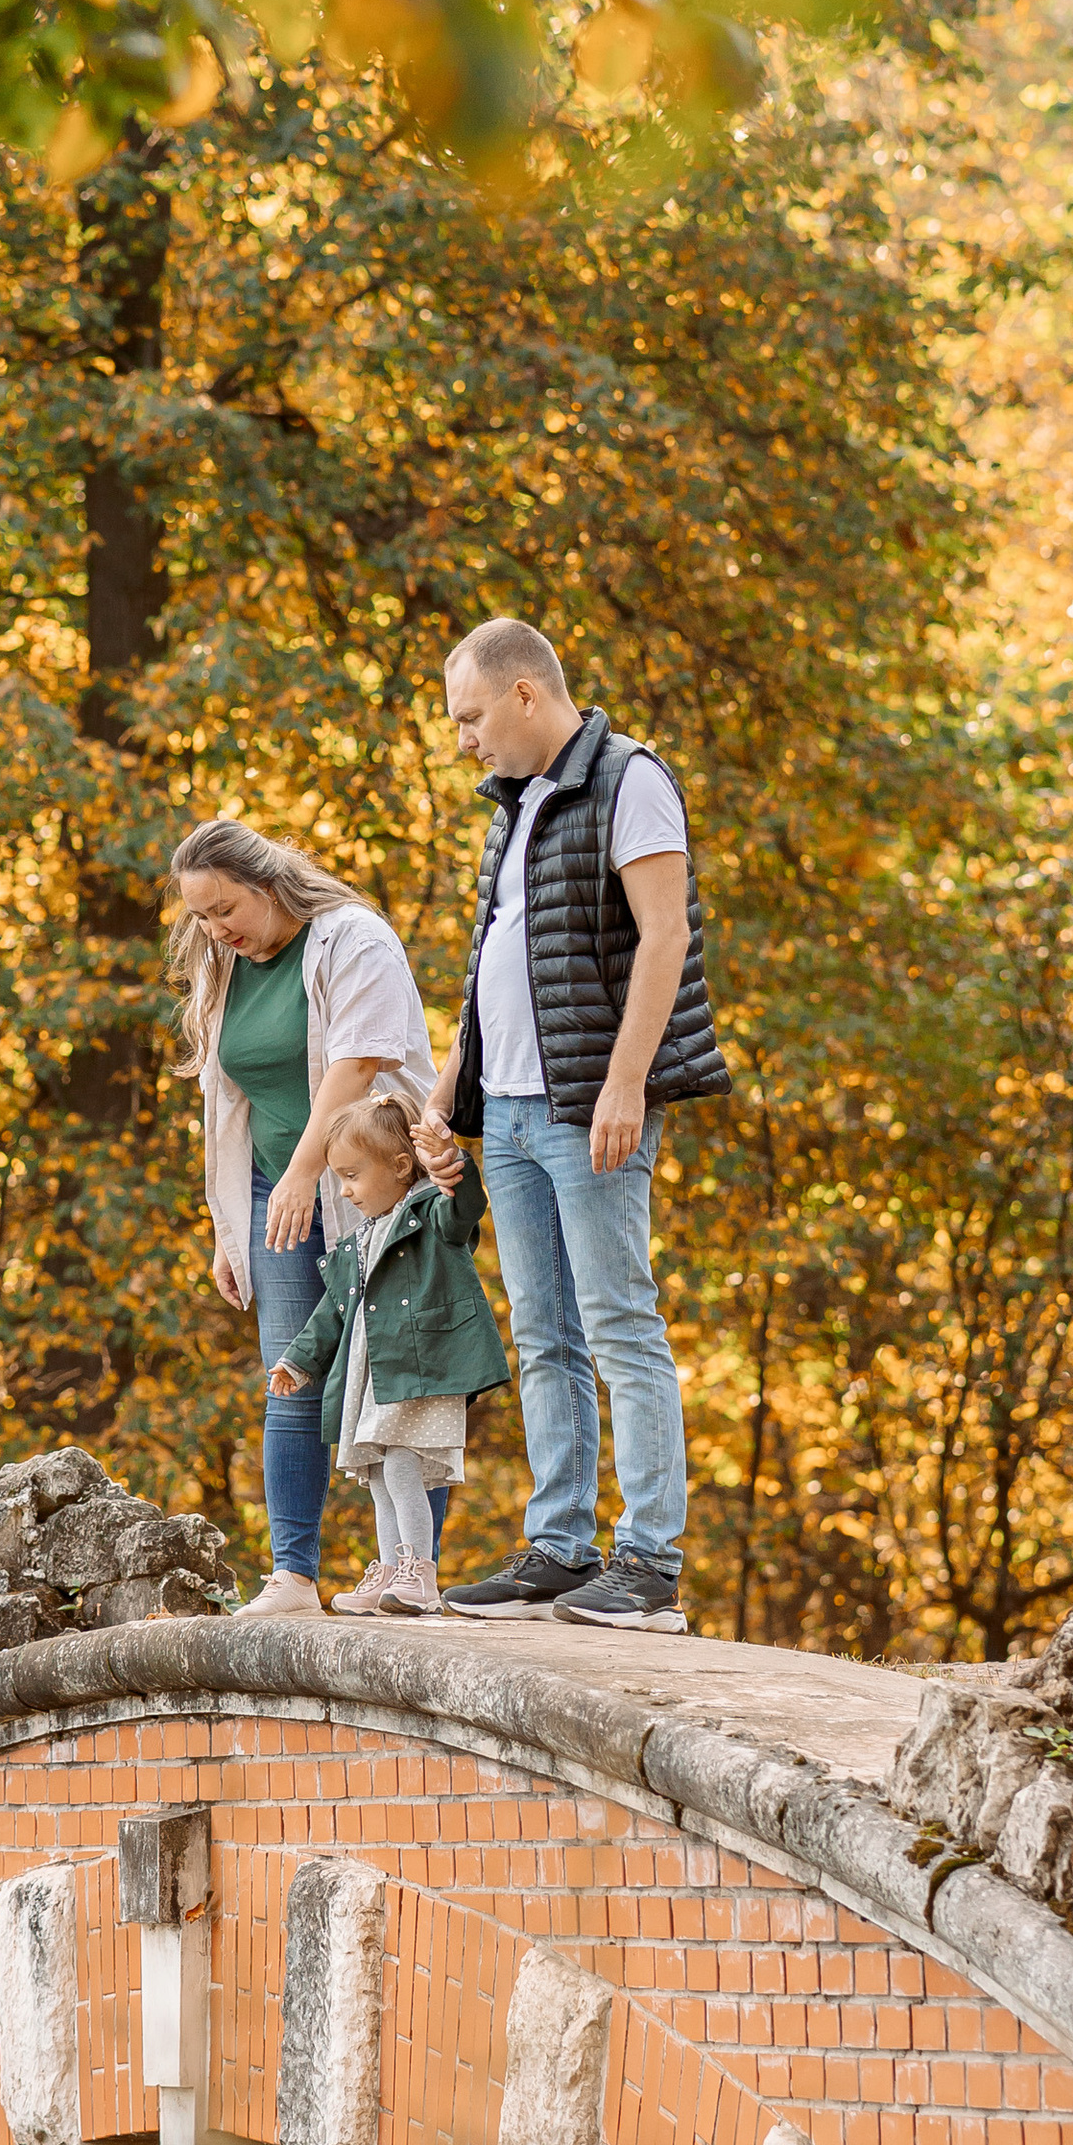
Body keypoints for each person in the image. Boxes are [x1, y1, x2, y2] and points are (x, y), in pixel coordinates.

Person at [413, 618, 732, 1635]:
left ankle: (647, 1562)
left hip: (586, 1104)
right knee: (545, 1337)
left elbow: (665, 934)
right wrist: (447, 1086)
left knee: (619, 1327)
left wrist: (625, 1084)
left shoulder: (629, 777)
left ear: (521, 695)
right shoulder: (515, 804)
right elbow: (489, 958)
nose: (464, 738)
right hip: (505, 1110)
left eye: (471, 717)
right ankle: (559, 1547)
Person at [167, 821, 435, 1613]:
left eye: (225, 909)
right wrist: (229, 1227)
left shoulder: (353, 940)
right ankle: (293, 1575)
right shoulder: (224, 962)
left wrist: (305, 1171)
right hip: (273, 1188)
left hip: (376, 1185)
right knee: (291, 1374)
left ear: (269, 882)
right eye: (201, 918)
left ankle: (408, 1573)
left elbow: (355, 1067)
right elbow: (228, 1100)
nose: (216, 931)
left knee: (393, 1375)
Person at [268, 1096, 509, 1617]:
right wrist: (297, 1360)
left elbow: (466, 1206)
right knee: (378, 1475)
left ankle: (419, 1572)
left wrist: (453, 1163)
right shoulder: (358, 1240)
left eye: (352, 1175)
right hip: (374, 1377)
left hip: (420, 1370)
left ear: (401, 1167)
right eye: (339, 1178)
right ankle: (391, 1568)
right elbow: (330, 1315)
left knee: (401, 1467)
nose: (344, 1190)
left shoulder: (431, 1216)